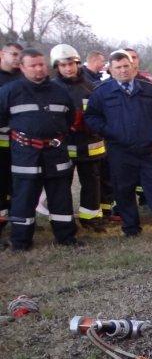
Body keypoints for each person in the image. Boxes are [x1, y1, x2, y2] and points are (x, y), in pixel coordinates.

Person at [85, 49, 152, 238]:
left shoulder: (149, 90)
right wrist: (109, 132)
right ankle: (131, 229)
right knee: (123, 191)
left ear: (133, 67)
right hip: (119, 152)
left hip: (147, 151)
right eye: (118, 67)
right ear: (111, 70)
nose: (123, 71)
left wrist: (151, 131)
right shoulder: (102, 93)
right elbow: (91, 118)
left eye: (126, 66)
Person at [0, 48, 79, 250]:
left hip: (56, 152)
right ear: (22, 68)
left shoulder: (60, 91)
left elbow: (69, 118)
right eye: (33, 65)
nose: (38, 69)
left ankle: (66, 238)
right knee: (23, 198)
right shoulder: (10, 91)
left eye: (41, 64)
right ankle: (20, 242)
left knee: (61, 197)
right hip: (25, 155)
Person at [50, 44, 105, 231]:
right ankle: (64, 220)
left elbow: (101, 113)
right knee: (61, 184)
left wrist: (92, 124)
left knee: (91, 181)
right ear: (56, 67)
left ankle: (90, 217)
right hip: (63, 145)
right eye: (63, 65)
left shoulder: (91, 87)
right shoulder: (52, 89)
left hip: (90, 143)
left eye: (71, 64)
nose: (68, 68)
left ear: (78, 63)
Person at [0, 42, 22, 238]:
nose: (16, 58)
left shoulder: (23, 78)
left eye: (19, 55)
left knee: (17, 186)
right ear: (2, 54)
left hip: (19, 144)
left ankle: (17, 221)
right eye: (13, 54)